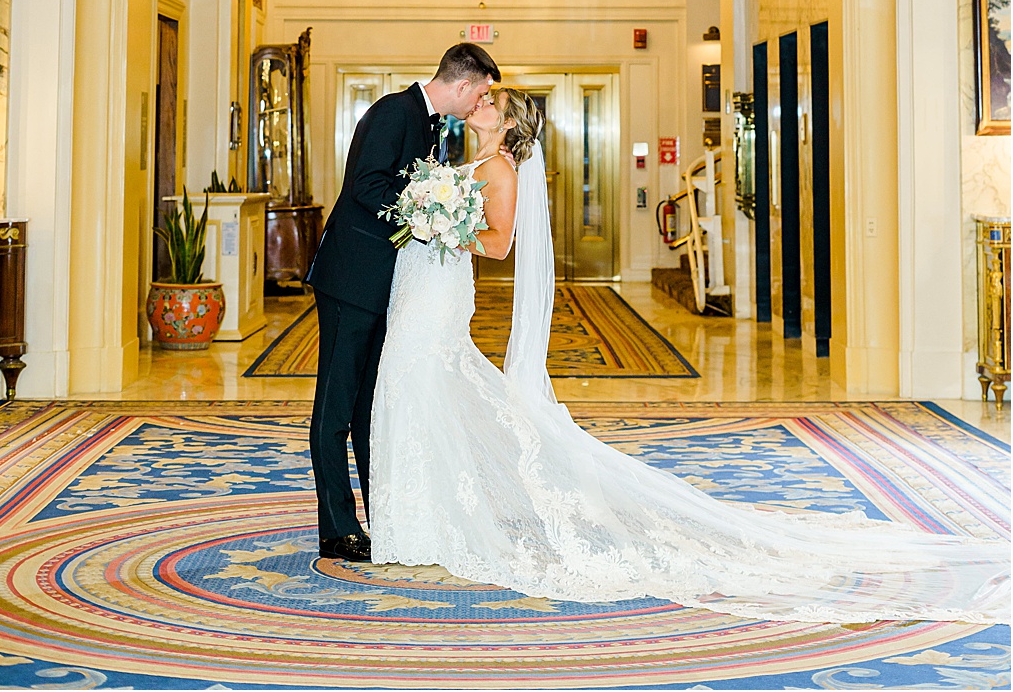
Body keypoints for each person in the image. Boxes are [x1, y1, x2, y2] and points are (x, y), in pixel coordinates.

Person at [368, 87, 1009, 623]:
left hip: (439, 293)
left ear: (508, 124)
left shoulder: (498, 169)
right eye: (481, 96)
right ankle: (424, 521)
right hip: (429, 295)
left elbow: (498, 243)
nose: (480, 100)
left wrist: (437, 225)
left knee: (433, 393)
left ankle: (431, 524)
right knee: (429, 398)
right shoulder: (470, 162)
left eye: (493, 99)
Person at [303, 41, 497, 568]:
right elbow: (365, 185)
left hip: (385, 285)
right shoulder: (393, 111)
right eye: (480, 91)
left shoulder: (434, 124)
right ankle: (337, 529)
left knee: (370, 406)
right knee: (337, 408)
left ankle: (381, 515)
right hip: (351, 280)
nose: (481, 100)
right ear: (462, 84)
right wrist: (421, 219)